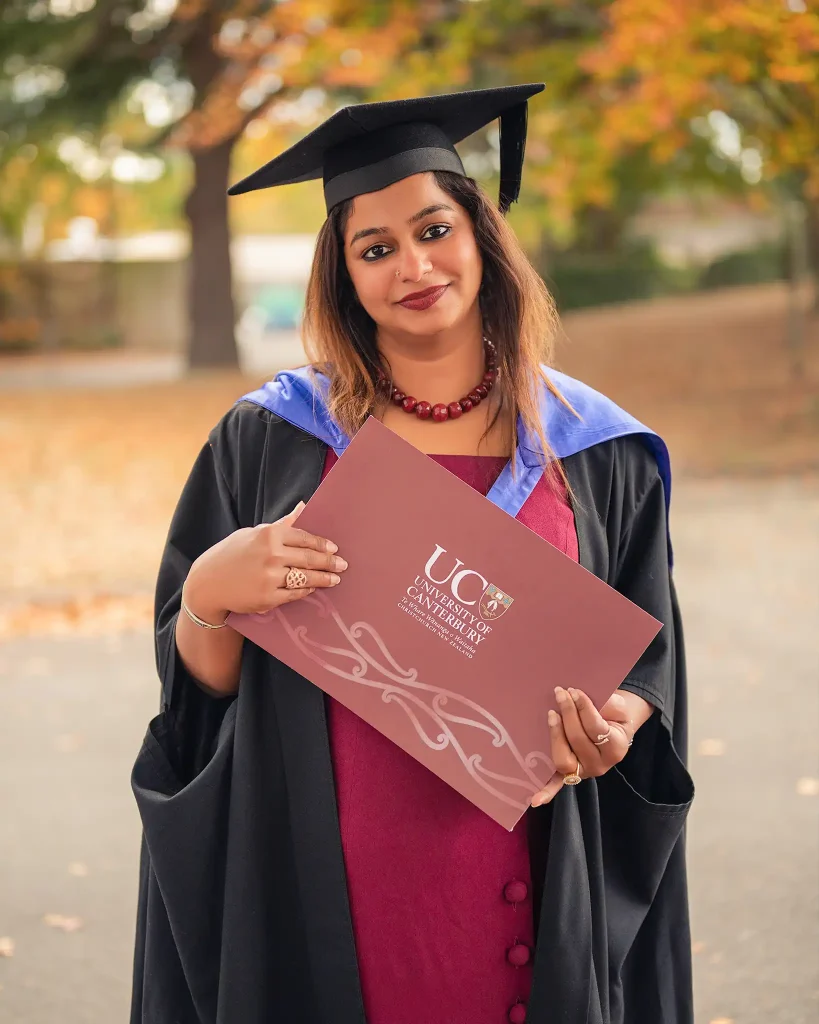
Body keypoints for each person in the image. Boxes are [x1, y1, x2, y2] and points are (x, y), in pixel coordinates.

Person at [130, 84, 694, 1024]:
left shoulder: (595, 450)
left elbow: (649, 660)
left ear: (480, 235)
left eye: (434, 230)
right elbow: (200, 700)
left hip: (526, 873)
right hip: (326, 894)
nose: (413, 266)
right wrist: (206, 593)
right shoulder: (270, 440)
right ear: (344, 276)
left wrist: (619, 723)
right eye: (376, 248)